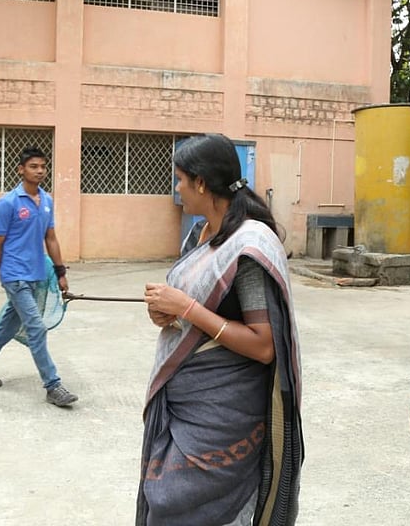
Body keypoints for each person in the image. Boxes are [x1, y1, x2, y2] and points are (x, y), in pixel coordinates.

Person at [139, 133, 303, 525]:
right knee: (168, 502)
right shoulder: (203, 235)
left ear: (200, 182)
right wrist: (169, 313)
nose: (177, 189)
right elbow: (201, 312)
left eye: (180, 180)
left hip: (224, 414)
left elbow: (264, 345)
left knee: (195, 507)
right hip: (187, 404)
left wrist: (187, 308)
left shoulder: (248, 245)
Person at [0, 146, 78, 407]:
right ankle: (53, 386)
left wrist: (60, 272)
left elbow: (50, 238)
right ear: (21, 169)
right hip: (14, 275)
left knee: (8, 324)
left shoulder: (47, 201)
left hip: (37, 274)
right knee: (36, 328)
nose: (39, 171)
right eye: (33, 166)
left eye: (43, 166)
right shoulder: (8, 203)